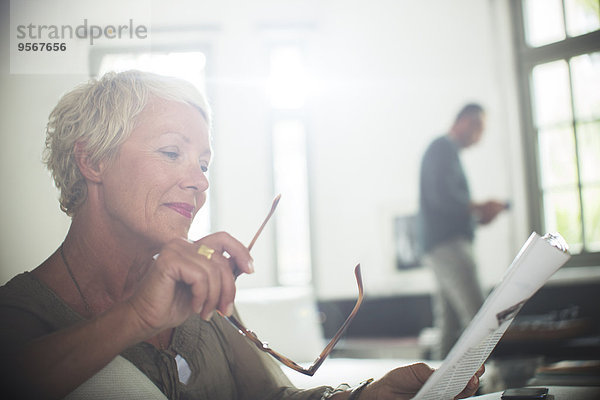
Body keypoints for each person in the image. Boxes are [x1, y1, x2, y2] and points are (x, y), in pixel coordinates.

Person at [0, 71, 483, 400]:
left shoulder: (200, 296)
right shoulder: (20, 313)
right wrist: (136, 317)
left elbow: (274, 397)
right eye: (172, 152)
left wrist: (365, 395)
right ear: (93, 160)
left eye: (204, 164)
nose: (200, 180)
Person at [419, 103, 508, 360]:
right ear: (464, 122)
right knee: (480, 318)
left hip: (441, 245)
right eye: (478, 127)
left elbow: (448, 206)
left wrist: (479, 217)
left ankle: (435, 391)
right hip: (448, 246)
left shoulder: (447, 152)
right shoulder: (442, 148)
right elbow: (442, 199)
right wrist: (480, 206)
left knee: (448, 325)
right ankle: (493, 381)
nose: (479, 135)